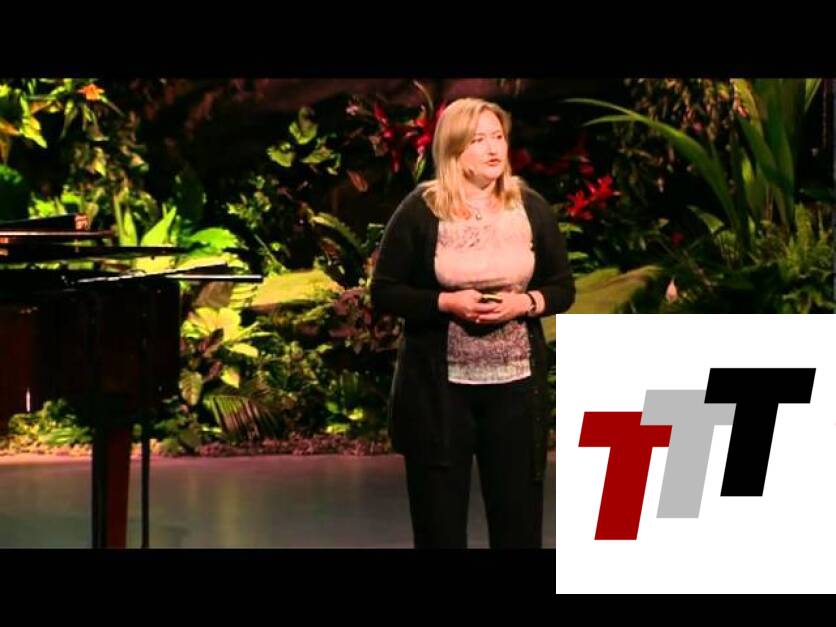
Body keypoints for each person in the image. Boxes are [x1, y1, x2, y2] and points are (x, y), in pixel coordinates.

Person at [370, 97, 575, 548]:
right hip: (440, 396)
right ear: (454, 150)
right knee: (439, 529)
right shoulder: (421, 210)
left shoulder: (530, 207)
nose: (492, 149)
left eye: (497, 137)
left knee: (518, 526)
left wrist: (525, 304)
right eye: (478, 140)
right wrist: (446, 302)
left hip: (516, 391)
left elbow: (562, 287)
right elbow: (384, 290)